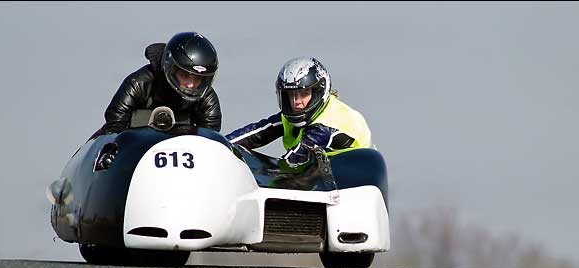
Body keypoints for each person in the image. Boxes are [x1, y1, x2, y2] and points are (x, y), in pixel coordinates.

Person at [226, 57, 372, 167]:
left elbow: (288, 164)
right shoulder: (295, 117)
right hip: (325, 182)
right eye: (291, 95)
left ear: (318, 92)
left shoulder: (326, 125)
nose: (296, 102)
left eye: (304, 94)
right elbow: (259, 132)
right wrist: (217, 145)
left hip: (357, 184)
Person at [91, 32, 222, 137]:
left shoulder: (206, 97)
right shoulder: (139, 84)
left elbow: (210, 138)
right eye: (185, 76)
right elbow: (114, 126)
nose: (191, 85)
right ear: (170, 67)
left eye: (197, 79)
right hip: (134, 152)